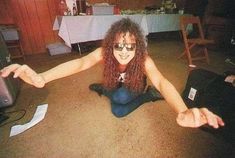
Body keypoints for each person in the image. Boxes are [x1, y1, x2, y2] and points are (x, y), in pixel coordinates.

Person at [1, 18, 224, 129]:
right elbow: (80, 63)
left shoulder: (142, 59)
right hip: (116, 82)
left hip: (135, 84)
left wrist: (183, 110)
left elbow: (162, 81)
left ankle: (147, 95)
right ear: (111, 45)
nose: (125, 52)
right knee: (112, 93)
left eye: (131, 46)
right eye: (119, 46)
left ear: (138, 47)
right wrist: (43, 77)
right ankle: (106, 89)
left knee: (118, 106)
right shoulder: (104, 53)